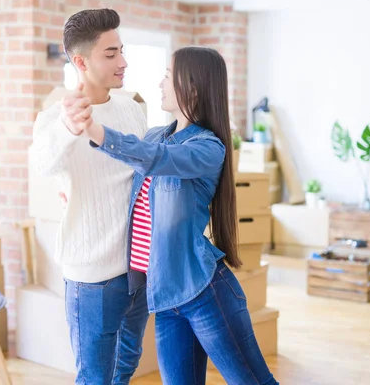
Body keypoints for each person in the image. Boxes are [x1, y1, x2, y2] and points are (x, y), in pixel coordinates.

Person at [68, 45, 279, 385]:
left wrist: (95, 130)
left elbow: (153, 158)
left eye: (167, 75)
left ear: (191, 86)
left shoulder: (208, 148)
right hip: (164, 298)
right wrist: (68, 188)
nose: (160, 83)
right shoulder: (156, 136)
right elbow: (126, 175)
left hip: (205, 291)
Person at [28, 9, 150, 385]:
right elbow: (43, 162)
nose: (123, 62)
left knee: (126, 366)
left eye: (122, 51)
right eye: (110, 54)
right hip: (92, 278)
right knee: (95, 378)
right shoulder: (55, 119)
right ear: (80, 61)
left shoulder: (131, 109)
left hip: (138, 270)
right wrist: (68, 127)